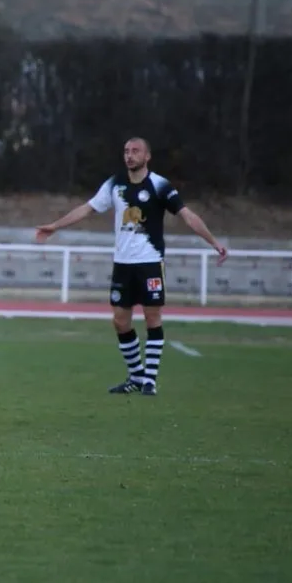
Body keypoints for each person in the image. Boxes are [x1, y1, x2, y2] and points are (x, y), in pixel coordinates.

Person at [35, 137, 228, 396]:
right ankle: (136, 376)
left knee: (152, 317)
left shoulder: (160, 185)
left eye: (135, 151)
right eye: (126, 151)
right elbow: (87, 209)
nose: (129, 155)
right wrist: (54, 226)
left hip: (149, 263)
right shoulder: (115, 184)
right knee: (120, 321)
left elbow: (187, 215)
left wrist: (214, 242)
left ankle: (150, 380)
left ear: (147, 156)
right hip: (123, 265)